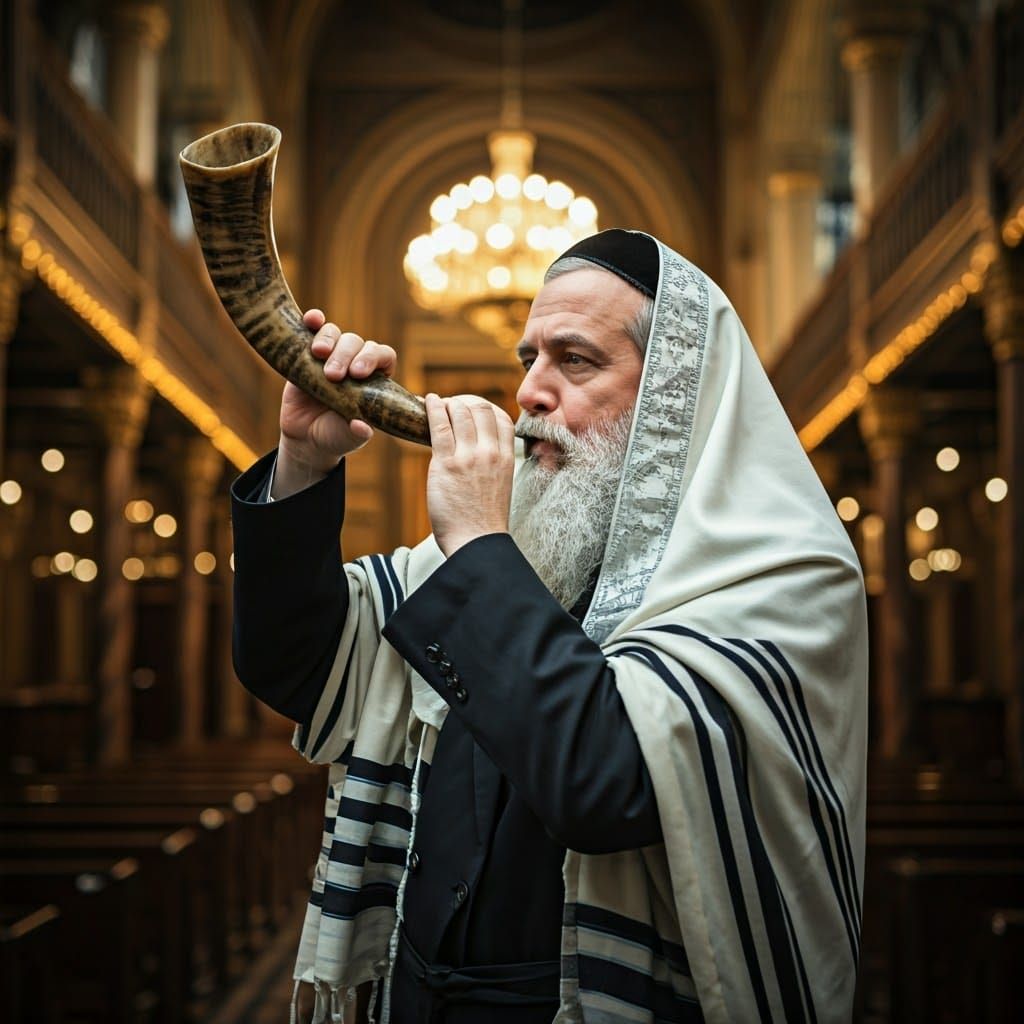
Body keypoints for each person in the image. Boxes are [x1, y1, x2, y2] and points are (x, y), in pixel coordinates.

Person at [230, 229, 868, 1024]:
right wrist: (304, 462)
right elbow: (294, 665)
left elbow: (602, 786)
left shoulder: (780, 573)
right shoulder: (511, 552)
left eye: (574, 360)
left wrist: (476, 540)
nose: (529, 391)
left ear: (678, 393)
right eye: (527, 358)